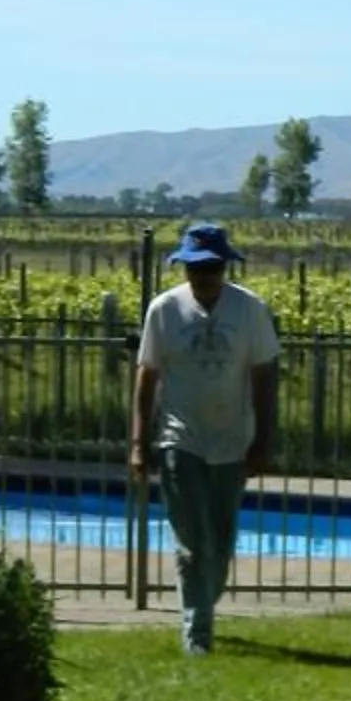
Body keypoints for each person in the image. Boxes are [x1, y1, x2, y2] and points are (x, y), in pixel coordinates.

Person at [130, 222, 280, 654]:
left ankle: (202, 605)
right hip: (181, 439)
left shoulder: (249, 310)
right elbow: (147, 377)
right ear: (183, 268)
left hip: (232, 441)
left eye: (212, 267)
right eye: (195, 268)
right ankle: (197, 636)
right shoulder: (164, 310)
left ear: (225, 267)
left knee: (219, 540)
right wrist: (139, 443)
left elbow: (265, 375)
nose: (204, 277)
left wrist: (264, 439)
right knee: (192, 541)